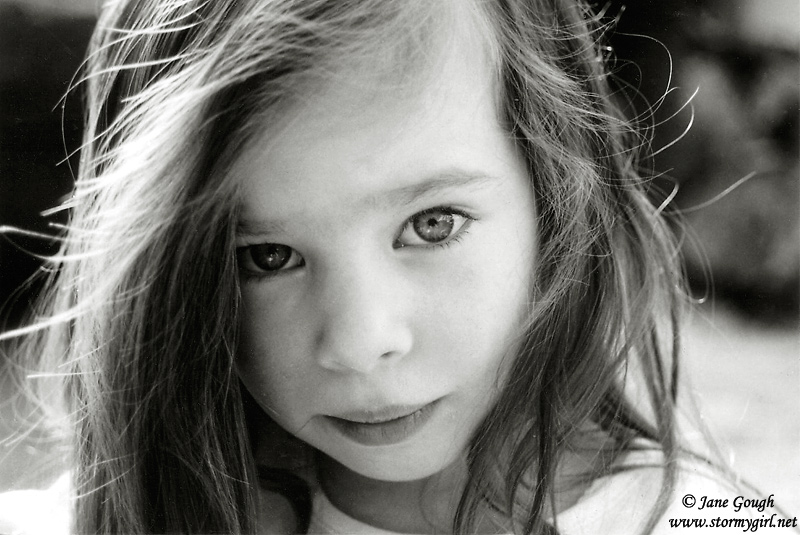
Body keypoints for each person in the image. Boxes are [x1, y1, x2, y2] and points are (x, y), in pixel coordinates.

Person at [0, 0, 773, 533]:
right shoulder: (126, 512)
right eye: (267, 256)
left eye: (432, 225)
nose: (360, 342)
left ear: (558, 196)